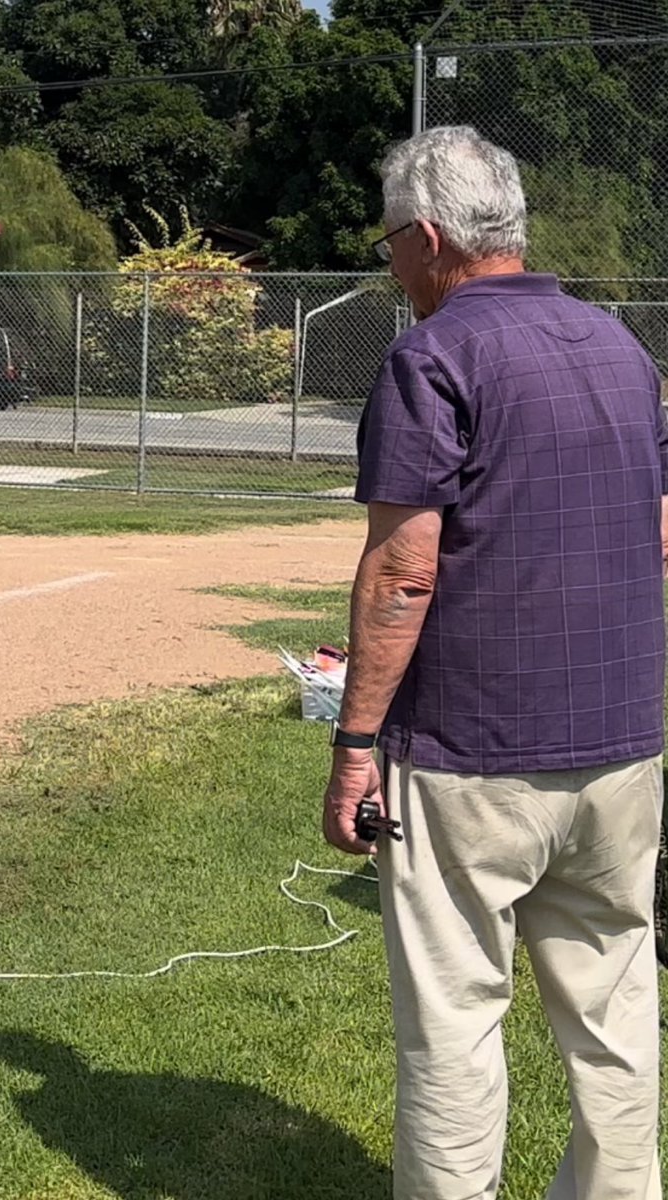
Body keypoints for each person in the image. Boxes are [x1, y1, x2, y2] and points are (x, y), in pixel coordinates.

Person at [324, 125, 666, 1200]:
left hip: (472, 752)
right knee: (615, 1014)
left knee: (455, 1019)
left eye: (392, 245)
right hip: (620, 744)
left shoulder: (433, 356)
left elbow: (401, 574)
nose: (392, 265)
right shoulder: (620, 346)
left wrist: (354, 742)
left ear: (430, 237)